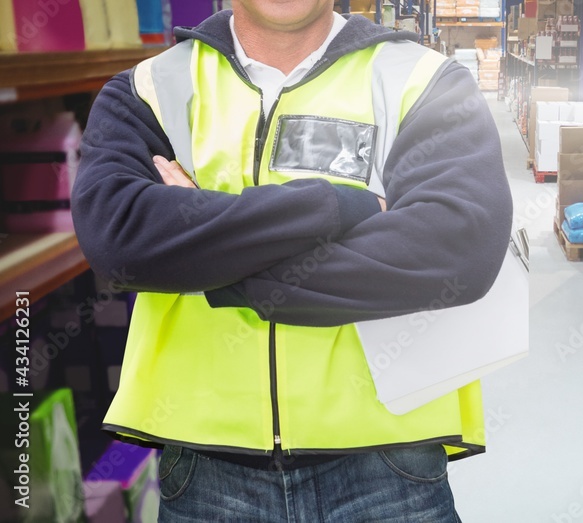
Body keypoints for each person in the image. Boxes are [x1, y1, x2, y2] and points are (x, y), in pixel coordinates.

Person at [70, 1, 512, 521]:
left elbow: (459, 248)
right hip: (207, 468)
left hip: (390, 463)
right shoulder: (151, 90)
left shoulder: (421, 81)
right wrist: (341, 206)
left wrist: (212, 262)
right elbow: (120, 240)